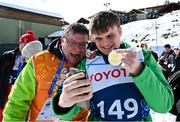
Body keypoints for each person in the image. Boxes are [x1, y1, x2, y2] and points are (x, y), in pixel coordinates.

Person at [52, 11, 174, 121]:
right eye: (99, 38)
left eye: (110, 36)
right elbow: (70, 112)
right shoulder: (87, 63)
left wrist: (140, 70)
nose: (105, 44)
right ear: (93, 38)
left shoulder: (143, 56)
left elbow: (164, 105)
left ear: (120, 31)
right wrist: (63, 103)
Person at [3, 23, 89, 121]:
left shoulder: (91, 64)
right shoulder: (38, 61)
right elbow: (17, 102)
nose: (78, 49)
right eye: (72, 43)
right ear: (62, 41)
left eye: (83, 44)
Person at [0, 30, 35, 121]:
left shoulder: (34, 60)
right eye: (22, 43)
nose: (23, 46)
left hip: (22, 90)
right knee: (3, 110)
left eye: (26, 44)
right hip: (6, 87)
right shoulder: (8, 55)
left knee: (17, 112)